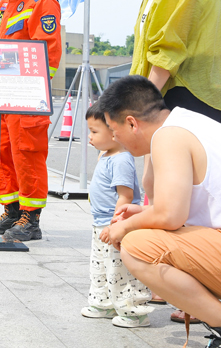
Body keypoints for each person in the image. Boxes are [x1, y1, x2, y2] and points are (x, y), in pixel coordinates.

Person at [115, 0, 221, 323]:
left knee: (185, 200)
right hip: (165, 95)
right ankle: (173, 280)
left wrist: (142, 101)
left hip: (187, 96)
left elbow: (169, 49)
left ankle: (200, 295)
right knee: (158, 186)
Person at [98, 75, 221, 347]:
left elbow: (170, 216)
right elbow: (178, 209)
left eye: (112, 128)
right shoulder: (187, 122)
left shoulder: (168, 136)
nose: (113, 137)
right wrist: (144, 214)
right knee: (145, 232)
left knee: (137, 246)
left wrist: (123, 227)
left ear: (131, 122)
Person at [0, 0, 62, 241]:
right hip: (3, 97)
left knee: (27, 154)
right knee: (4, 153)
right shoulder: (4, 5)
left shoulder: (42, 0)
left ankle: (31, 218)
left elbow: (49, 57)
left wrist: (29, 91)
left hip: (28, 98)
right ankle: (13, 210)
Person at [81, 102, 152, 328]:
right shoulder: (107, 154)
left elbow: (125, 197)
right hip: (100, 223)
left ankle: (133, 311)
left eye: (94, 131)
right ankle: (103, 303)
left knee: (120, 269)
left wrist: (115, 225)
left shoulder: (121, 159)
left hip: (115, 225)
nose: (89, 137)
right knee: (101, 266)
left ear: (113, 132)